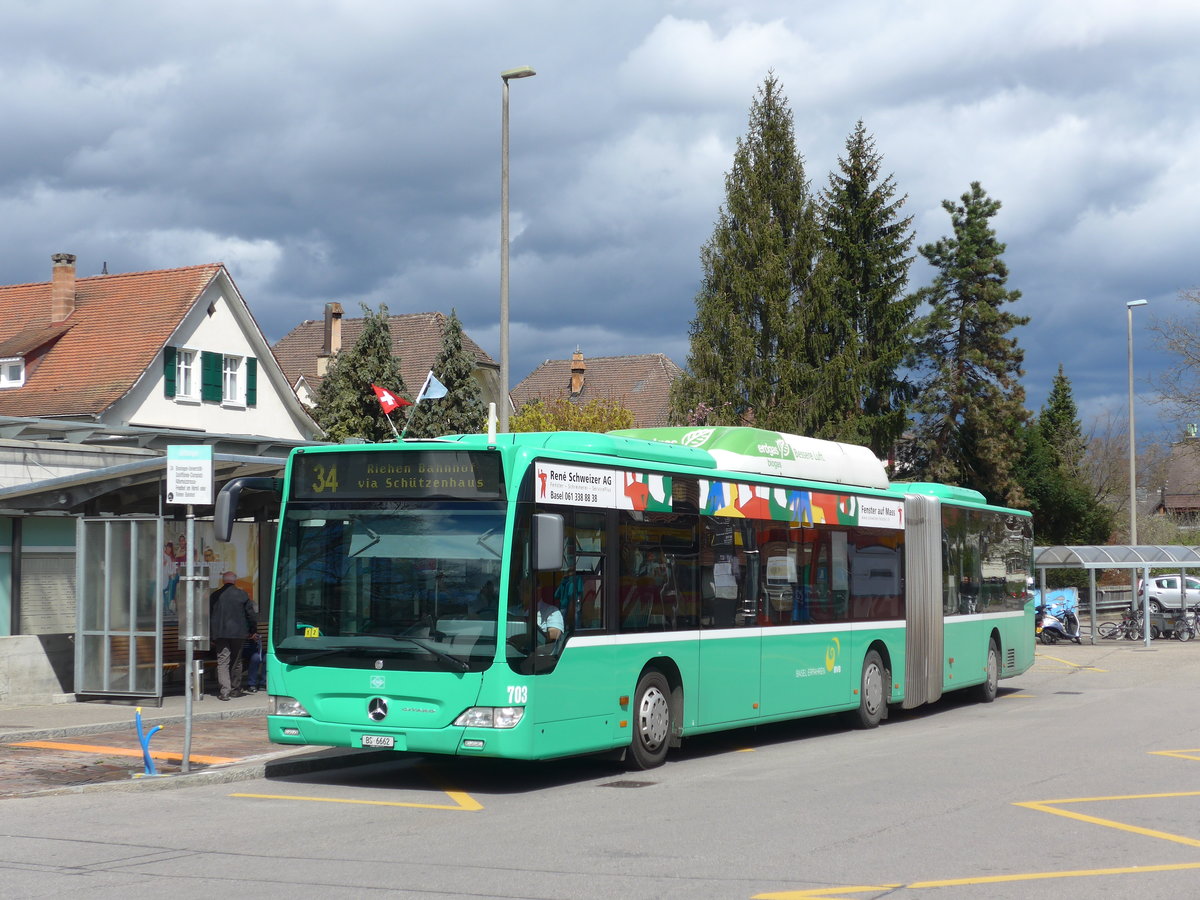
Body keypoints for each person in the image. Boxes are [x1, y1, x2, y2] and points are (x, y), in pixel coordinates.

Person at [210, 571, 257, 701]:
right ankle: (235, 689)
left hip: (220, 633)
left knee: (223, 661)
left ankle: (225, 691)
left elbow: (209, 616)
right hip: (239, 633)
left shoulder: (215, 595)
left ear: (223, 581)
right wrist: (253, 630)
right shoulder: (242, 594)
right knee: (237, 661)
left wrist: (211, 636)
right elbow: (251, 614)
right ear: (235, 580)